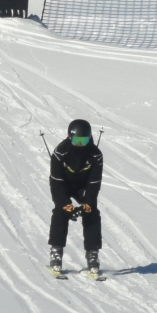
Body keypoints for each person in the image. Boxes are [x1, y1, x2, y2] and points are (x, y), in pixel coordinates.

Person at [47, 118, 104, 278]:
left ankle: (92, 254)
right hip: (64, 185)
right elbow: (56, 182)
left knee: (92, 212)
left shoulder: (96, 155)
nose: (80, 145)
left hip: (83, 187)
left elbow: (94, 183)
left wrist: (88, 202)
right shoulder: (60, 152)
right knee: (60, 212)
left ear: (90, 138)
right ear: (69, 137)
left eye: (83, 141)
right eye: (76, 140)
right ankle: (56, 252)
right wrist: (65, 203)